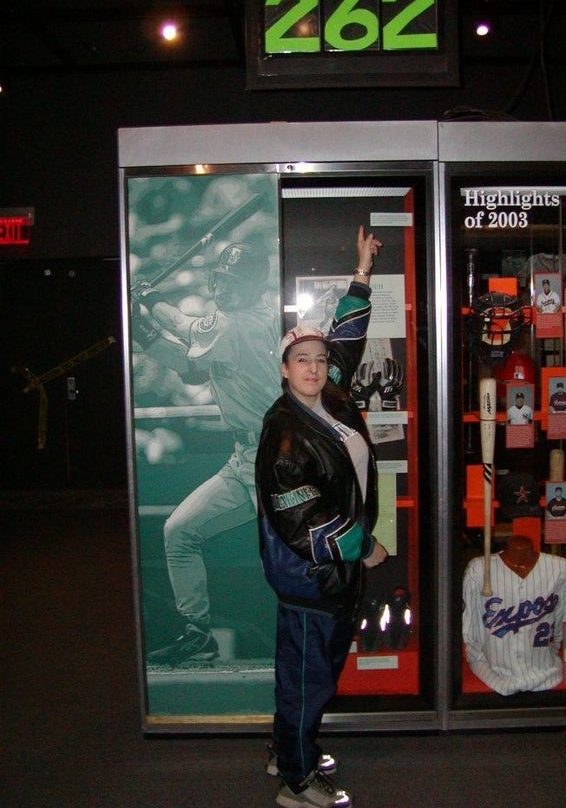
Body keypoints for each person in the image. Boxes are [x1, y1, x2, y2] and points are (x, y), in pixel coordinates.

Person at [255, 226, 388, 808]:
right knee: (310, 678)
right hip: (310, 576)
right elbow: (306, 525)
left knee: (306, 673)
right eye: (300, 361)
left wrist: (362, 273)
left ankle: (287, 749)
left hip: (331, 574)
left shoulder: (328, 396)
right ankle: (297, 780)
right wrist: (365, 546)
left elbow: (348, 339)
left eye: (318, 359)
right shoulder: (284, 438)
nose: (313, 368)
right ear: (284, 370)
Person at [131, 241, 281, 664]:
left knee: (300, 561)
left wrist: (150, 298)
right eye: (221, 280)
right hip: (245, 458)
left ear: (255, 287)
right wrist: (141, 331)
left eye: (235, 282)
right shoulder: (231, 328)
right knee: (179, 532)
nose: (223, 289)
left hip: (280, 462)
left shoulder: (244, 324)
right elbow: (191, 367)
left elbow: (181, 325)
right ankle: (197, 633)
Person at [462, 535, 566, 695]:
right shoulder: (478, 569)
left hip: (547, 670)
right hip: (492, 674)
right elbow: (469, 631)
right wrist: (478, 662)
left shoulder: (561, 568)